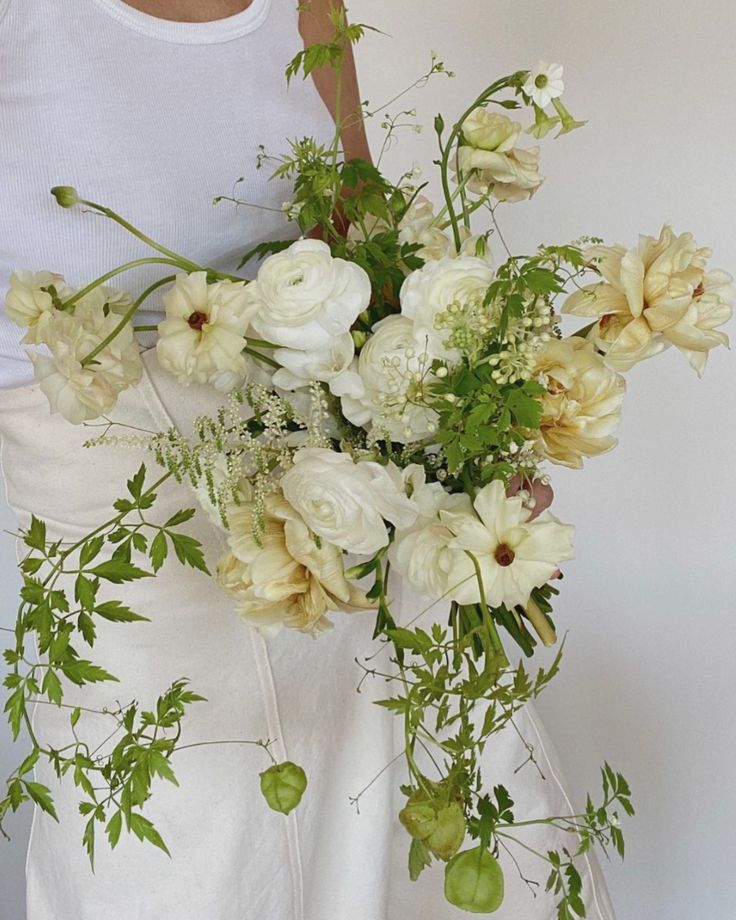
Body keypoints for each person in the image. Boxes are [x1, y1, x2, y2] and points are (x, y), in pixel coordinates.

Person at [0, 1, 616, 917]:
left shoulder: (308, 6)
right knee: (169, 861)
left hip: (330, 511)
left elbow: (362, 242)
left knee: (390, 816)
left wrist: (473, 454)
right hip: (118, 544)